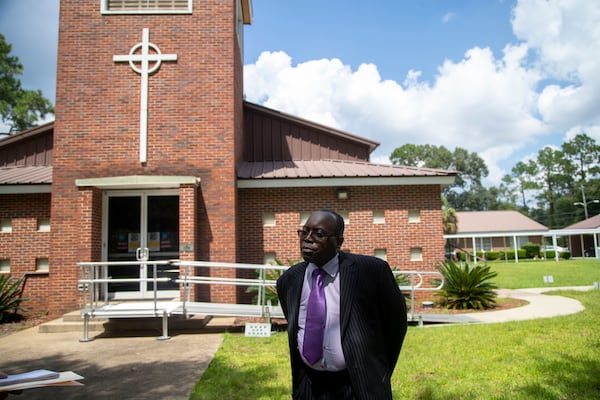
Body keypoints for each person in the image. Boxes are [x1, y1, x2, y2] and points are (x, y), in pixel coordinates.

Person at [277, 209, 408, 399]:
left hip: (358, 385)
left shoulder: (372, 272)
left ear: (339, 242)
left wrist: (378, 371)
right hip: (309, 386)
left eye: (319, 234)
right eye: (304, 232)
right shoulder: (289, 280)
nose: (308, 239)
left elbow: (395, 326)